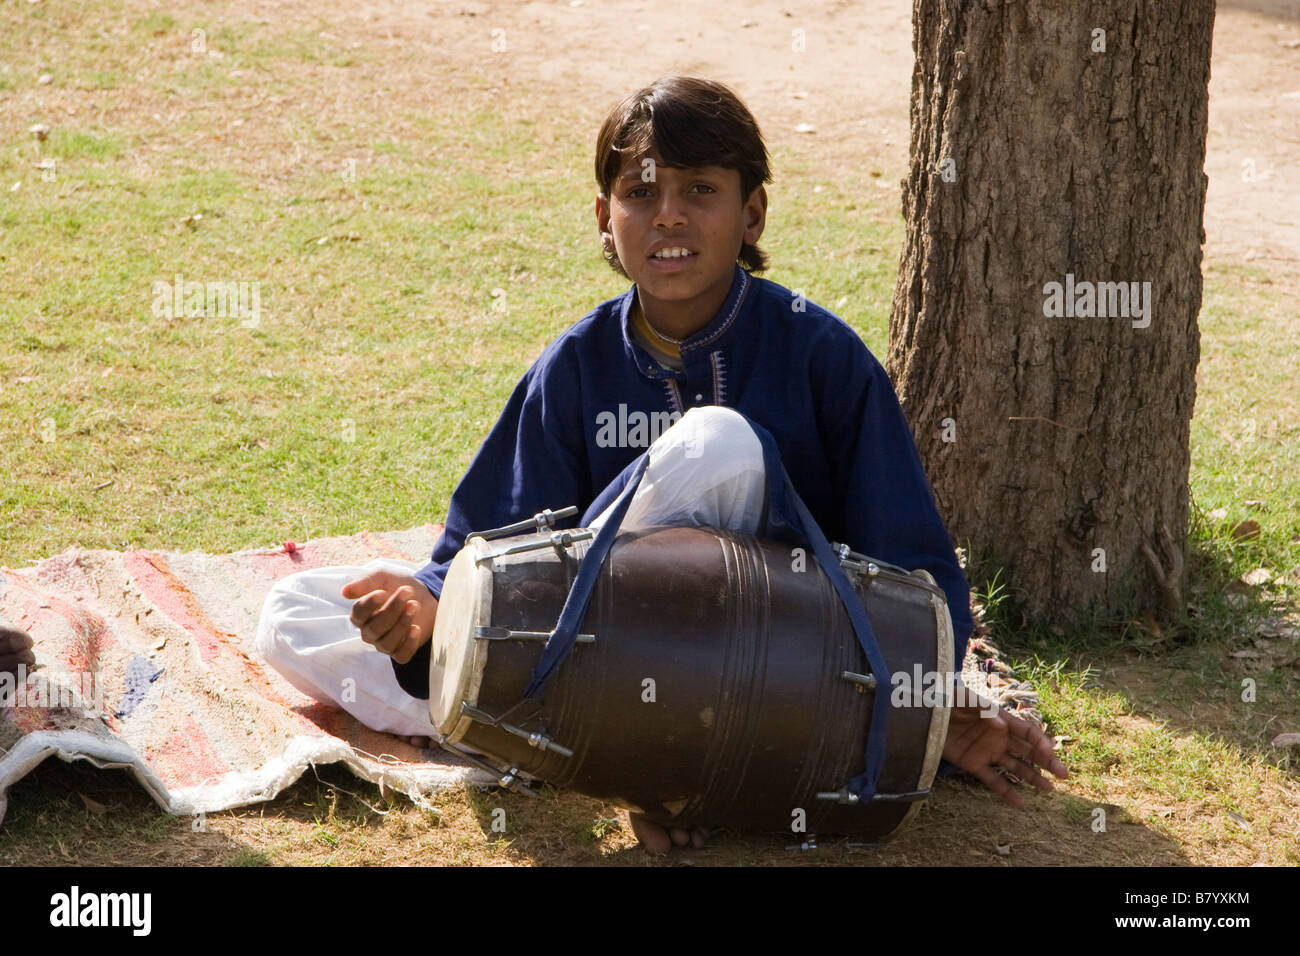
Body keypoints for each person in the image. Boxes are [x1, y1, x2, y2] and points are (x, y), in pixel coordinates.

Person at [260, 75, 1068, 854]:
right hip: (600, 667)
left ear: (751, 213)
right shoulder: (573, 366)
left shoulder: (820, 355)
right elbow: (487, 550)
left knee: (719, 444)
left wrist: (923, 702)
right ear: (605, 222)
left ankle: (585, 752)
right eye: (640, 194)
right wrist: (424, 610)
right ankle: (625, 758)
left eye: (699, 192)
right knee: (294, 613)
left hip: (784, 681)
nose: (668, 217)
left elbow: (916, 576)